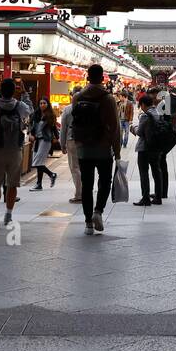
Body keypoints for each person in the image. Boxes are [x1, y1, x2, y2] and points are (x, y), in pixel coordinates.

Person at [72, 62, 121, 234]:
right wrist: (117, 151)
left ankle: (87, 223)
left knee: (86, 184)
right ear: (102, 78)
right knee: (104, 182)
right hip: (103, 148)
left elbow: (75, 121)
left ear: (87, 77)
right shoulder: (108, 99)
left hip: (83, 149)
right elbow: (115, 128)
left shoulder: (77, 97)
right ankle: (98, 211)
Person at [0, 78, 32, 229]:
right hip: (15, 150)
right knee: (12, 184)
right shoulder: (20, 106)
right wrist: (24, 93)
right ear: (13, 91)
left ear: (0, 91)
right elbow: (30, 110)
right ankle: (8, 215)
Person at [131, 92, 165, 207]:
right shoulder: (158, 113)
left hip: (145, 148)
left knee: (144, 172)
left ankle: (145, 198)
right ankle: (158, 197)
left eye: (141, 105)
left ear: (144, 105)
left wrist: (133, 127)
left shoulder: (145, 115)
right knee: (156, 171)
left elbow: (140, 132)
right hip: (156, 147)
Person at [60, 87, 83, 203]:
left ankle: (79, 194)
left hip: (72, 140)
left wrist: (62, 144)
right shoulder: (88, 108)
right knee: (84, 167)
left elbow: (63, 128)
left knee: (75, 168)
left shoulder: (67, 109)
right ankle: (85, 191)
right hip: (85, 142)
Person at [30, 97, 58, 189]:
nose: (42, 105)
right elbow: (32, 127)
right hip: (37, 140)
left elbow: (54, 128)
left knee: (37, 162)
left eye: (44, 103)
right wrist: (31, 134)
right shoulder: (36, 114)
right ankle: (39, 184)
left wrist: (56, 137)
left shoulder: (50, 115)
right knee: (38, 162)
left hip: (45, 140)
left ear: (48, 104)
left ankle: (51, 174)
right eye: (41, 103)